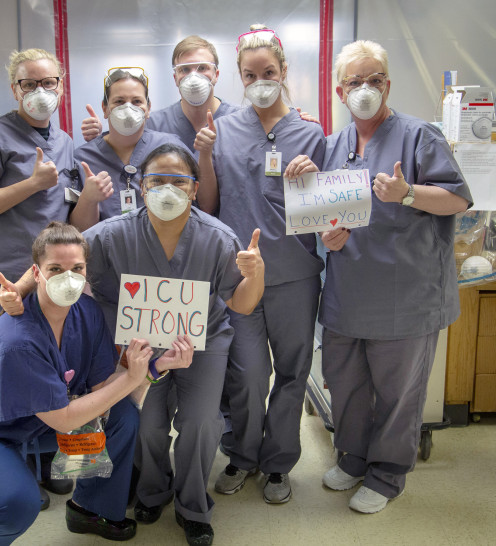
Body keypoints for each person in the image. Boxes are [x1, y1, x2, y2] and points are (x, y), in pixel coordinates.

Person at [0, 144, 265, 546]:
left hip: (201, 344)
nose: (168, 190)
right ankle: (153, 491)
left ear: (195, 190)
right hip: (136, 346)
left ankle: (193, 506)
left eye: (179, 181)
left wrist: (256, 274)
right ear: (141, 187)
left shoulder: (217, 238)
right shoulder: (113, 234)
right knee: (148, 423)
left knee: (200, 421)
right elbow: (59, 254)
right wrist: (17, 293)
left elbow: (242, 303)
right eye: (157, 181)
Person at [287, 39, 472, 514]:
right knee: (344, 382)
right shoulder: (334, 145)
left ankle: (388, 474)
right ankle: (353, 458)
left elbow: (456, 200)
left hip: (405, 294)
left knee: (397, 392)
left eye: (374, 80)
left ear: (387, 84)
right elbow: (334, 217)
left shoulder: (418, 137)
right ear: (338, 90)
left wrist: (408, 193)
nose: (364, 89)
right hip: (349, 291)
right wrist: (332, 236)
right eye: (354, 82)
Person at [0, 222, 195, 544]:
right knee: (16, 504)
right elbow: (65, 418)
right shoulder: (19, 340)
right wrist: (134, 377)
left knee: (122, 417)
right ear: (36, 273)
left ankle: (89, 509)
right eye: (55, 268)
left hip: (30, 423)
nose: (68, 278)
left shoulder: (87, 312)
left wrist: (155, 368)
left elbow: (101, 389)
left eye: (76, 268)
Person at [196, 26, 326, 504]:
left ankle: (278, 464)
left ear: (284, 72)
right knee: (247, 374)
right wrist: (205, 156)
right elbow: (208, 203)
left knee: (293, 373)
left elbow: (325, 212)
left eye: (268, 72)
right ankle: (242, 455)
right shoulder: (222, 129)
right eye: (250, 75)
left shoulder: (312, 133)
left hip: (295, 274)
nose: (260, 81)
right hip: (240, 276)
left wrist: (312, 179)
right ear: (239, 77)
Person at [0, 48, 110, 337]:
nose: (39, 91)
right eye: (29, 84)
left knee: (50, 363)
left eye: (48, 82)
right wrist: (32, 184)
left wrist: (89, 196)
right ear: (15, 91)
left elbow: (71, 221)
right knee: (4, 365)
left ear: (60, 87)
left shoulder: (64, 142)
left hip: (51, 279)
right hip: (2, 277)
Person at [80, 36, 241, 153]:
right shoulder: (154, 124)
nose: (194, 77)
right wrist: (102, 135)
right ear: (175, 77)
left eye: (202, 68)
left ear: (216, 74)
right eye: (185, 69)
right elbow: (123, 149)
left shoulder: (238, 120)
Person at [73, 67, 189, 220]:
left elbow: (193, 206)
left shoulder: (171, 148)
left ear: (148, 108)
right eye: (119, 101)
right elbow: (79, 231)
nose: (128, 108)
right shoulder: (84, 158)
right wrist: (88, 199)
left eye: (137, 101)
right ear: (105, 108)